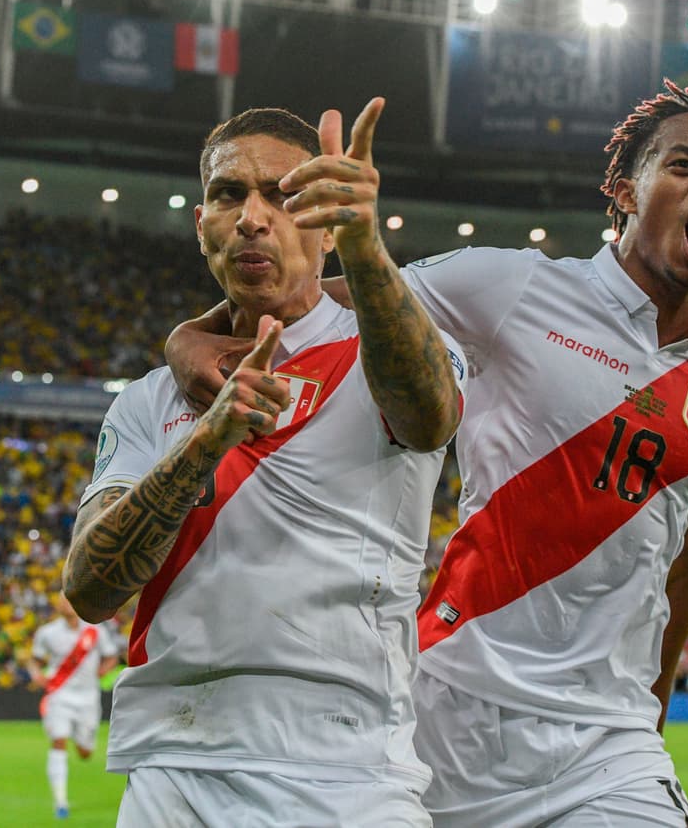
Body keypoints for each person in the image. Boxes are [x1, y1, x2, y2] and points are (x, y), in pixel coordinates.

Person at [166, 78, 688, 826]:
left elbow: (686, 572)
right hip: (450, 711)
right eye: (685, 165)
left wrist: (650, 722)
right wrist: (191, 335)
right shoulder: (511, 286)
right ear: (623, 188)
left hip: (609, 745)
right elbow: (307, 303)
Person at [63, 99, 465, 826]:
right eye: (228, 194)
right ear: (201, 227)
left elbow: (430, 416)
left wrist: (366, 244)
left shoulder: (389, 343)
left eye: (284, 195)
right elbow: (90, 588)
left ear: (325, 223)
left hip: (348, 773)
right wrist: (203, 444)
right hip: (175, 769)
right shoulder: (150, 400)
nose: (253, 215)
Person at [28, 592, 120, 819]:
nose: (64, 603)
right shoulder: (47, 632)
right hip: (59, 696)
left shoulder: (96, 630)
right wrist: (36, 674)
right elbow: (35, 660)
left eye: (67, 599)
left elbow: (111, 656)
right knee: (58, 740)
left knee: (85, 752)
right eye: (61, 599)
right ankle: (60, 802)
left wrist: (102, 671)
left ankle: (80, 740)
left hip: (88, 699)